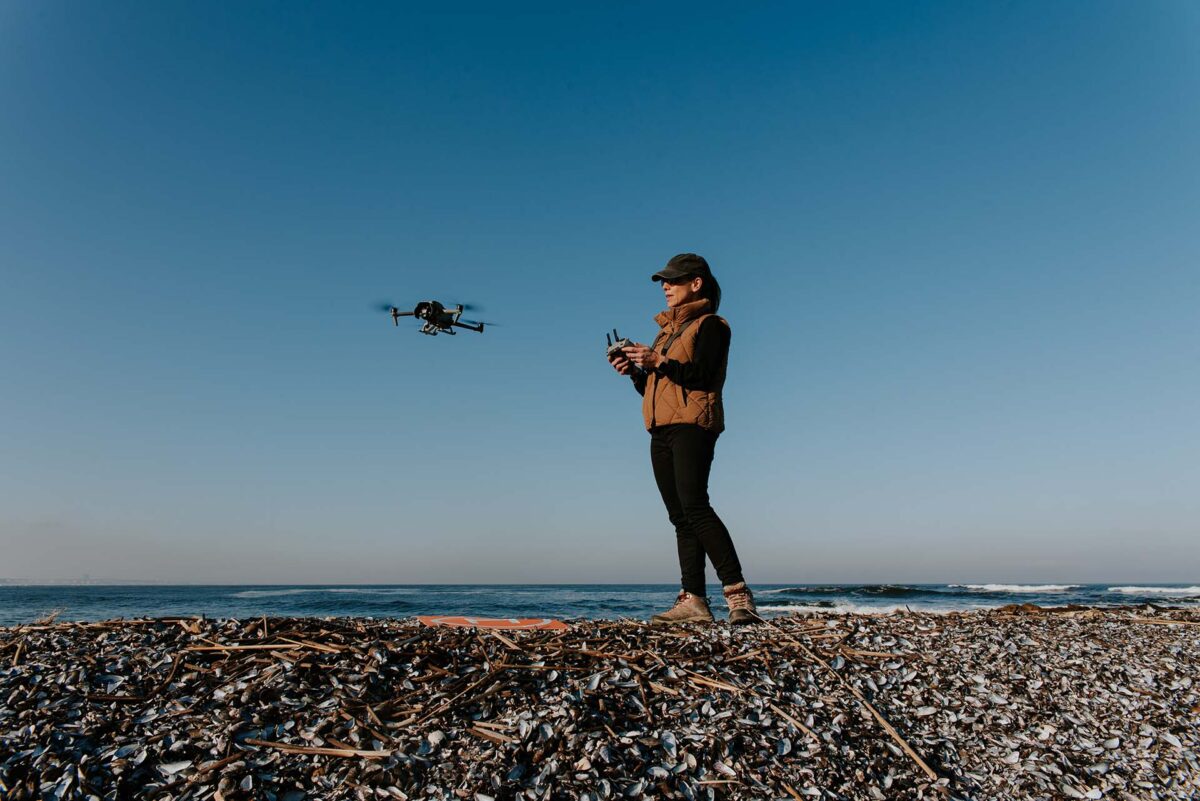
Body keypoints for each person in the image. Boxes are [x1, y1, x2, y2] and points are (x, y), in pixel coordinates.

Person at [608, 253, 758, 625]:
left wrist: (658, 361)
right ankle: (693, 600)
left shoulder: (712, 325)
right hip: (660, 428)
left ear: (696, 283)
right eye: (663, 281)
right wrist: (634, 372)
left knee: (695, 506)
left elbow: (702, 375)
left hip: (694, 424)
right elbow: (658, 388)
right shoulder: (666, 333)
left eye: (673, 280)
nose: (665, 286)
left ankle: (738, 595)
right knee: (679, 516)